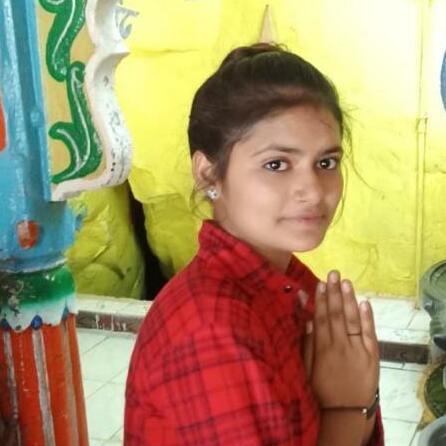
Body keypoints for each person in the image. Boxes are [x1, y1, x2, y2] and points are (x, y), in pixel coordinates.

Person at [124, 42, 384, 445]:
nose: (313, 191)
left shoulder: (287, 286)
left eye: (326, 162)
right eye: (276, 164)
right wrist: (349, 406)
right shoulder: (211, 333)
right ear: (208, 175)